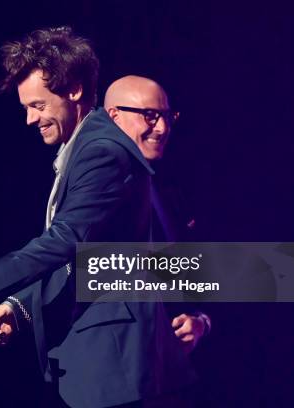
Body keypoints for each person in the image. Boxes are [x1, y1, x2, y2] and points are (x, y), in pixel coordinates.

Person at [0, 28, 195, 407]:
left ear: (75, 90)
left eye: (38, 105)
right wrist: (18, 307)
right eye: (26, 108)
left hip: (116, 364)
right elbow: (84, 264)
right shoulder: (86, 147)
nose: (31, 119)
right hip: (103, 362)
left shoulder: (101, 151)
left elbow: (64, 242)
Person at [103, 75, 211, 353]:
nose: (162, 128)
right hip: (114, 366)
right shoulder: (92, 188)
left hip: (174, 371)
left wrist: (201, 320)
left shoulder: (174, 186)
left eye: (167, 116)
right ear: (114, 116)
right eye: (150, 116)